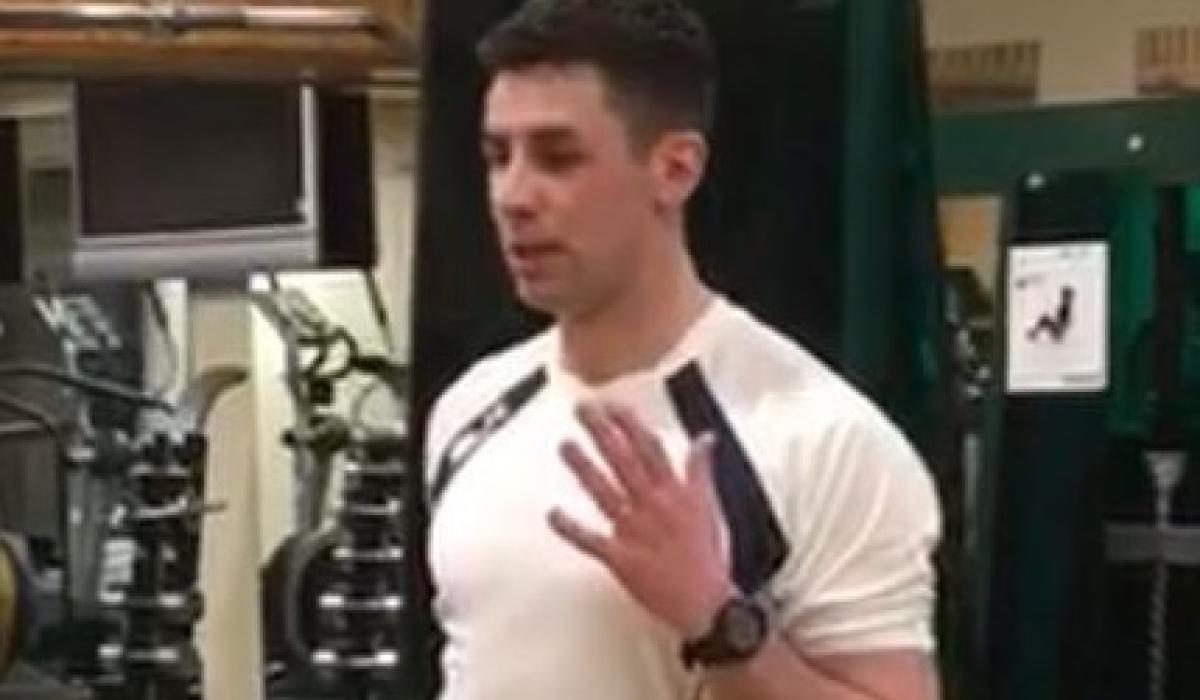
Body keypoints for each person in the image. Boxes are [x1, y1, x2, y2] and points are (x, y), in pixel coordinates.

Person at [421, 1, 943, 698]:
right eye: (497, 157)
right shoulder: (470, 411)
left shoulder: (821, 438)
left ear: (674, 169)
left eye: (558, 157)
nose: (513, 196)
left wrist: (717, 621)